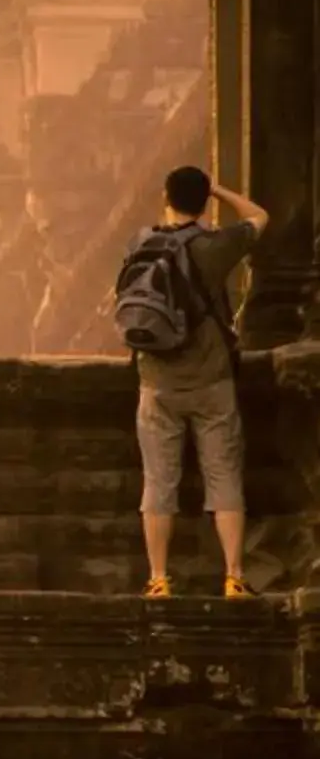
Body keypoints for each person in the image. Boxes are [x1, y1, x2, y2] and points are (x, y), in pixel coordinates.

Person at [129, 164, 266, 597]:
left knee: (158, 482)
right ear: (203, 202)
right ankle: (233, 576)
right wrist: (220, 190)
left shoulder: (141, 243)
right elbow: (260, 217)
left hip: (156, 381)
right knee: (224, 476)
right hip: (211, 381)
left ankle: (158, 579)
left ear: (164, 198)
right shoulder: (214, 246)